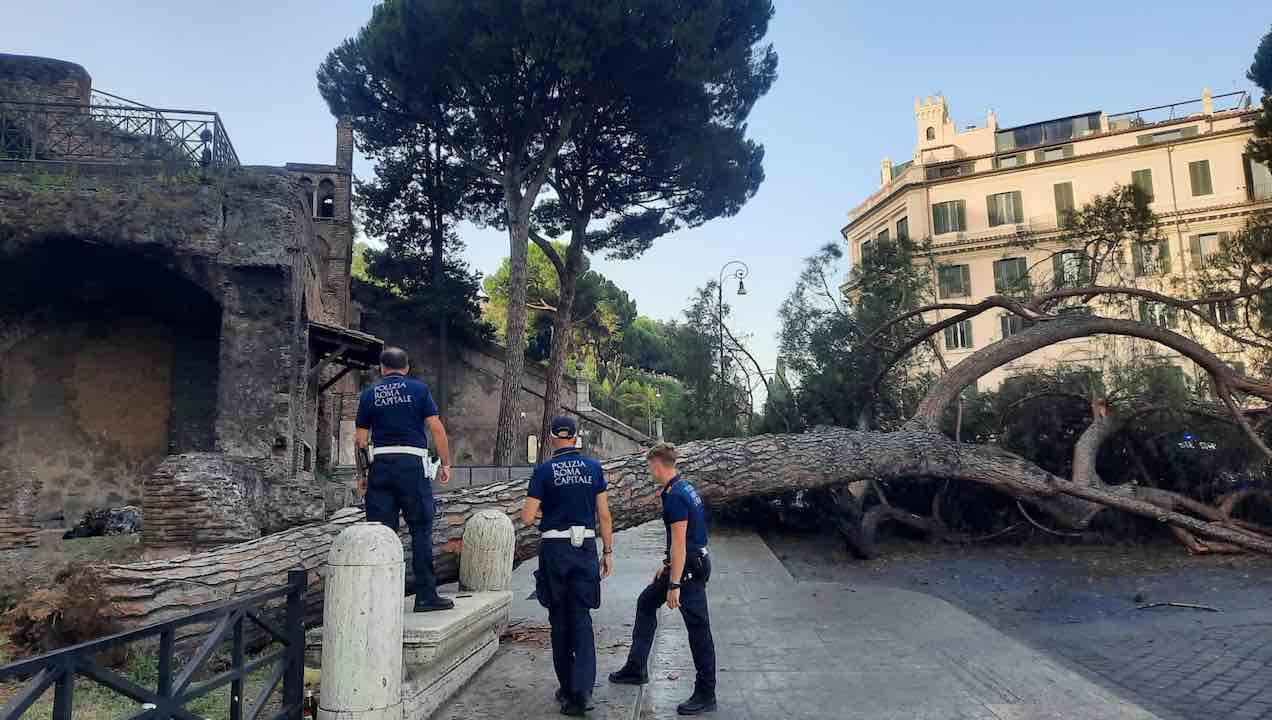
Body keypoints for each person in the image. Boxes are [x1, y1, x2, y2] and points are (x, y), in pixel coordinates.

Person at [609, 442, 716, 715]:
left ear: (657, 463)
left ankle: (706, 693)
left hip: (689, 568)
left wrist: (674, 584)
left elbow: (681, 542)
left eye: (649, 466)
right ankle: (636, 667)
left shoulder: (676, 496)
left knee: (698, 629)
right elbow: (682, 541)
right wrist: (667, 565)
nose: (649, 471)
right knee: (646, 602)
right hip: (685, 562)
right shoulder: (681, 488)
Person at [521, 416, 614, 716]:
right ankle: (583, 690)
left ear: (552, 437)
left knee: (559, 621)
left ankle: (567, 690)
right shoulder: (594, 468)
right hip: (584, 547)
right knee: (582, 619)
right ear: (576, 437)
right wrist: (608, 551)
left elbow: (526, 516)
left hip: (555, 550)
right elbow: (604, 516)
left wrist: (549, 512)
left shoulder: (544, 471)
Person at [354, 346, 455, 612]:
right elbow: (437, 429)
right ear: (406, 368)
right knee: (421, 531)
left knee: (380, 533)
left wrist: (362, 474)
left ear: (381, 368)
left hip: (381, 466)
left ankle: (380, 599)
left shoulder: (369, 394)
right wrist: (445, 463)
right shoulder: (419, 390)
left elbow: (361, 440)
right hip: (413, 466)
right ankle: (425, 596)